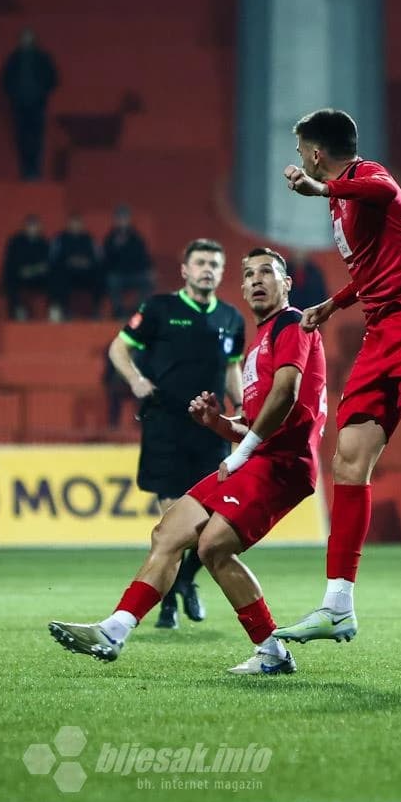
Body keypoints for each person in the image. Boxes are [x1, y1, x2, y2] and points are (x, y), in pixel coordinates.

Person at [49, 248, 327, 675]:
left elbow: (286, 397)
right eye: (248, 272)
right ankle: (115, 629)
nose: (256, 280)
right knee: (169, 530)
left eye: (267, 273)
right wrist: (219, 424)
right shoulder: (263, 339)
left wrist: (243, 449)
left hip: (283, 463)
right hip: (261, 455)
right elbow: (255, 421)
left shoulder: (293, 324)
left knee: (213, 546)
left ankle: (271, 651)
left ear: (287, 283)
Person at [276, 108, 401, 645]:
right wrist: (333, 303)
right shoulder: (344, 201)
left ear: (317, 153)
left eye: (302, 151)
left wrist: (322, 190)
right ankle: (337, 604)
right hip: (380, 328)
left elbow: (386, 195)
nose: (300, 160)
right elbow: (373, 268)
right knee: (348, 455)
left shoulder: (369, 176)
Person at [107, 239, 246, 629]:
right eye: (200, 262)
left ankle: (184, 581)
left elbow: (233, 367)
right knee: (174, 522)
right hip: (166, 425)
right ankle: (167, 603)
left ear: (221, 272)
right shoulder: (158, 308)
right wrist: (135, 380)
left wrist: (242, 403)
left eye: (215, 264)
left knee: (216, 522)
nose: (208, 269)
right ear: (184, 270)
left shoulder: (232, 318)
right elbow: (119, 348)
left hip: (212, 428)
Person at [0, 28, 57, 180]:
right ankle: (26, 171)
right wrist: (14, 95)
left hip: (37, 104)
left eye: (28, 38)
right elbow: (5, 80)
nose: (25, 41)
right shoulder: (13, 59)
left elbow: (53, 77)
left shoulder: (42, 58)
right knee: (22, 137)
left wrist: (42, 93)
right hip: (19, 104)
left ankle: (35, 171)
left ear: (33, 41)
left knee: (37, 138)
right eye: (23, 39)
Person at [102, 204, 155, 318]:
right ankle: (118, 311)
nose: (122, 220)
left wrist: (149, 270)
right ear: (116, 220)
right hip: (118, 275)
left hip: (135, 273)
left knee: (148, 280)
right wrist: (116, 247)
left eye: (125, 217)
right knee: (111, 280)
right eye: (120, 217)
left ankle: (138, 310)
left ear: (129, 219)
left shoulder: (136, 236)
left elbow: (144, 257)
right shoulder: (111, 237)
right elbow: (106, 259)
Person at [48, 213, 103, 321]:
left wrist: (86, 263)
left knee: (99, 275)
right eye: (73, 223)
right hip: (67, 273)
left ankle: (96, 310)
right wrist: (69, 262)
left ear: (82, 225)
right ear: (68, 224)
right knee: (58, 276)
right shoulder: (60, 239)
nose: (75, 226)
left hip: (86, 273)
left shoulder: (89, 239)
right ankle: (65, 310)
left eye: (78, 223)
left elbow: (98, 258)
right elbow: (53, 258)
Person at [1, 214, 51, 320]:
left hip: (37, 276)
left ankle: (54, 310)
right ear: (25, 227)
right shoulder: (15, 241)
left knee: (56, 277)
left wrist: (34, 270)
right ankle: (18, 310)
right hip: (19, 275)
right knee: (9, 278)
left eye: (35, 226)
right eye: (30, 226)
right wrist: (23, 270)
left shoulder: (44, 243)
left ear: (39, 228)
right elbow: (11, 261)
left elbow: (46, 263)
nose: (32, 229)